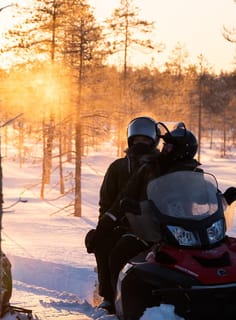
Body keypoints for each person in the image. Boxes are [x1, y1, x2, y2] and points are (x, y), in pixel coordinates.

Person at [102, 122, 203, 315]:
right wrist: (114, 216)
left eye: (169, 146)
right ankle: (117, 303)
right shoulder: (152, 166)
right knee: (120, 252)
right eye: (164, 145)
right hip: (150, 228)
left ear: (182, 150)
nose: (164, 149)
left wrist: (221, 199)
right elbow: (128, 193)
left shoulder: (194, 173)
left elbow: (204, 196)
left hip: (185, 230)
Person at [86, 116, 160, 313]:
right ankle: (110, 297)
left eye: (145, 141)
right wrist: (105, 225)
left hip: (156, 225)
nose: (140, 145)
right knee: (104, 244)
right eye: (136, 141)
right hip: (124, 224)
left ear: (154, 142)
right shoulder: (118, 167)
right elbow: (106, 202)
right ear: (130, 141)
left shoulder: (161, 166)